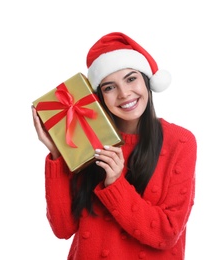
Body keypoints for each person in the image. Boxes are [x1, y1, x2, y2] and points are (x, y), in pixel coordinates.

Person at [32, 32, 197, 260]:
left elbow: (166, 233)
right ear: (99, 95)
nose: (124, 93)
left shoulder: (180, 141)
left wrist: (115, 183)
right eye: (109, 87)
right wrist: (58, 154)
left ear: (146, 81)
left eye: (131, 79)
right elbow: (63, 229)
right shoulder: (85, 139)